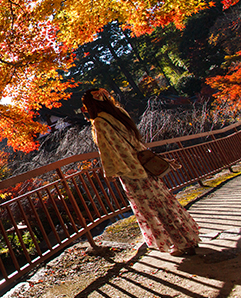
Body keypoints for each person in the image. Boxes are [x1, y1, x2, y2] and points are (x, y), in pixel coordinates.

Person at [82, 88, 200, 257]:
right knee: (164, 202)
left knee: (151, 209)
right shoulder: (119, 113)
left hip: (130, 170)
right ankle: (188, 237)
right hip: (144, 163)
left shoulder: (99, 123)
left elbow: (107, 150)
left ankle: (179, 244)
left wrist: (110, 172)